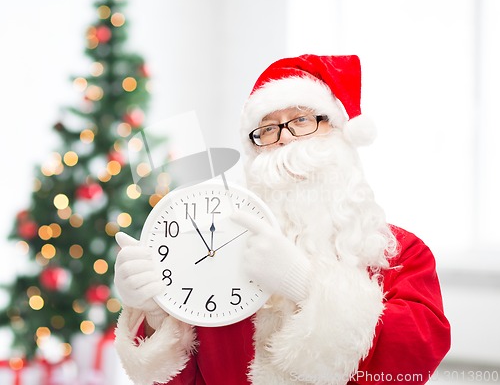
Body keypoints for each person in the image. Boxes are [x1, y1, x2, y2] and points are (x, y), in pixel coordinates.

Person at [113, 54, 451, 385]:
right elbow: (185, 379)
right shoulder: (216, 252)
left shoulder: (400, 253)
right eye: (269, 129)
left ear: (339, 132)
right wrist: (155, 313)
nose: (285, 137)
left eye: (301, 120)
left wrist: (303, 285)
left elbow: (413, 360)